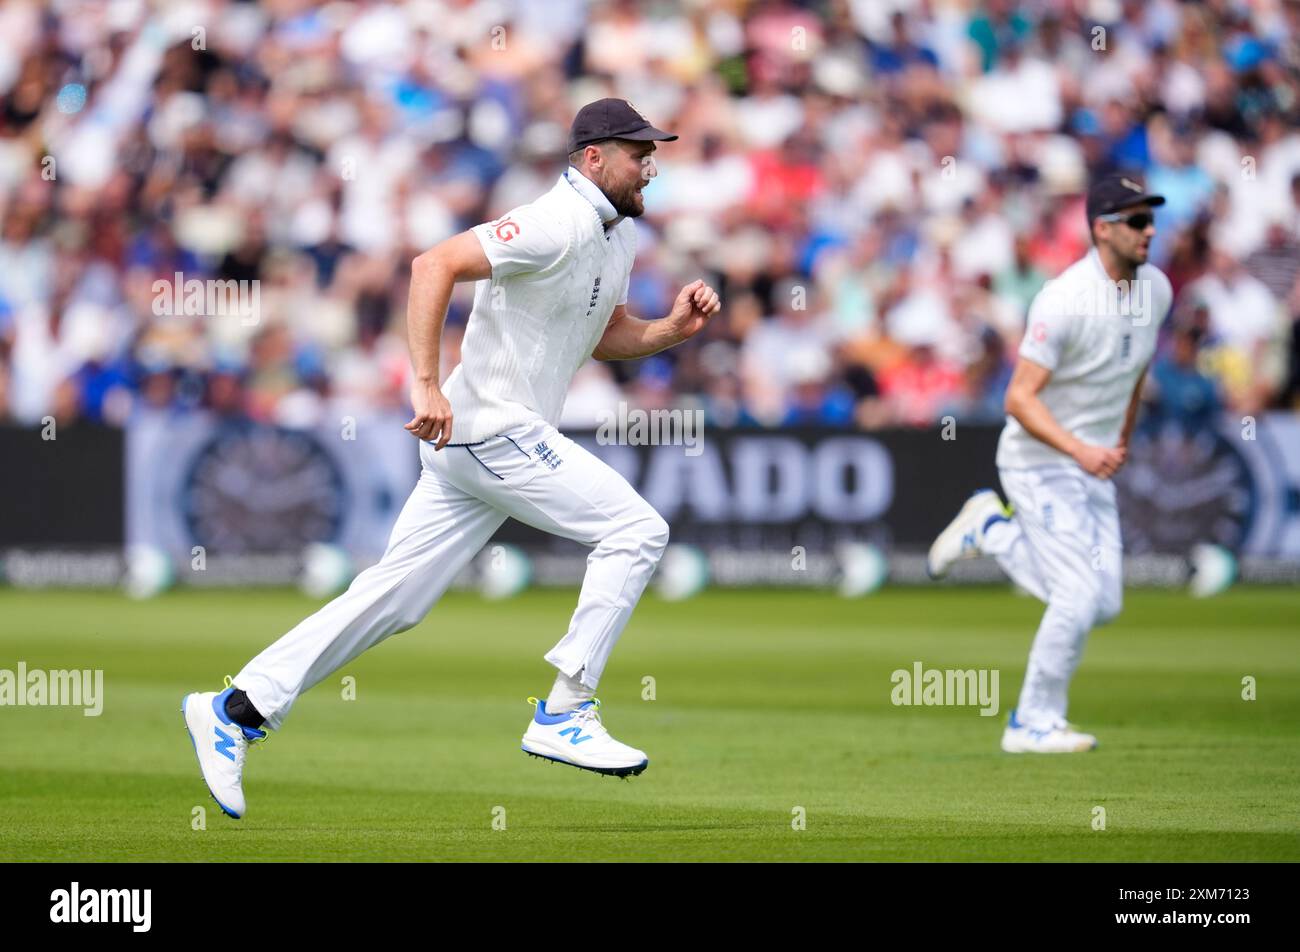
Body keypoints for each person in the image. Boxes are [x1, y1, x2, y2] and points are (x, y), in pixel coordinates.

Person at [182, 99, 722, 818]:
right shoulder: (550, 220)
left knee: (394, 600)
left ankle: (235, 709)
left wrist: (669, 330)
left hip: (481, 444)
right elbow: (432, 264)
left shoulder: (614, 237)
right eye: (636, 153)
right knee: (638, 531)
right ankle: (565, 710)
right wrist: (427, 384)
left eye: (651, 152)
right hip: (493, 429)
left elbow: (602, 332)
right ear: (593, 159)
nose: (649, 164)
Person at [926, 174, 1172, 753]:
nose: (1149, 231)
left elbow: (1135, 371)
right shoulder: (1063, 299)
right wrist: (1081, 449)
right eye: (1137, 221)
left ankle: (991, 529)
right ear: (1101, 229)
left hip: (1092, 461)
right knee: (1077, 596)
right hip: (1038, 461)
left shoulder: (1157, 289)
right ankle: (1030, 723)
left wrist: (1120, 440)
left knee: (1102, 602)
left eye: (1151, 219)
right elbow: (1018, 398)